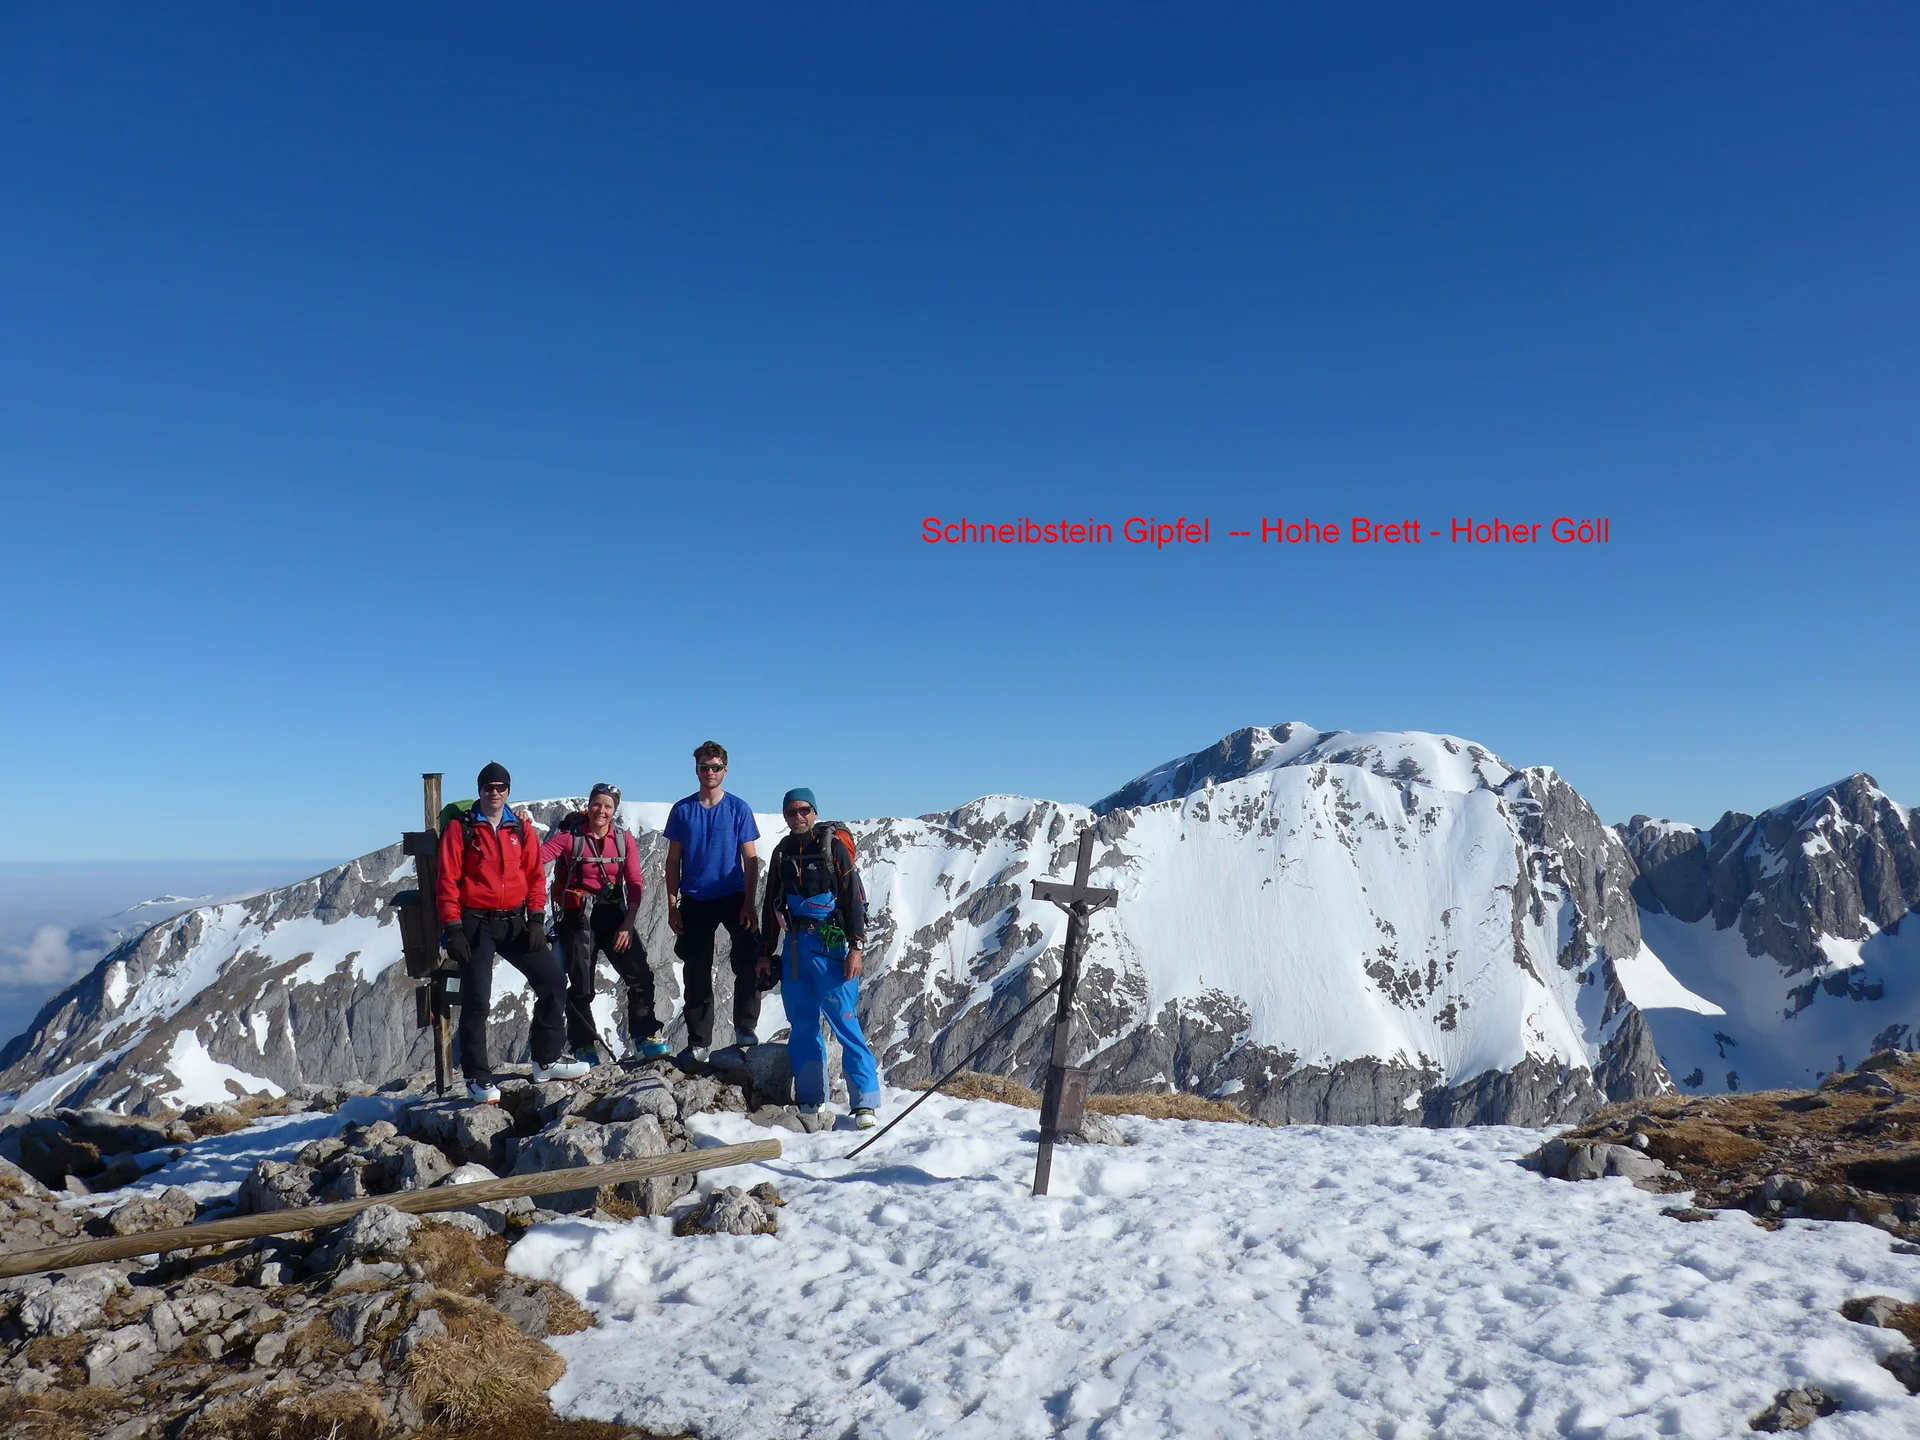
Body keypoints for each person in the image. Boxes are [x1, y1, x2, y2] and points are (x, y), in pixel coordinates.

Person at [436, 762, 589, 1103]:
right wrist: (454, 928)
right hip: (474, 921)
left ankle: (545, 1061)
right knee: (477, 999)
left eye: (501, 787)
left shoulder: (519, 828)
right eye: (489, 787)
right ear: (479, 790)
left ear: (508, 790)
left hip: (514, 920)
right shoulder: (461, 830)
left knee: (552, 981)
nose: (495, 793)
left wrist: (536, 918)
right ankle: (477, 1077)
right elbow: (446, 881)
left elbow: (535, 875)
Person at [761, 787, 882, 1128]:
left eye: (803, 810)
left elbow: (852, 900)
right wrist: (765, 952)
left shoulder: (833, 848)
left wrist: (856, 948)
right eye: (791, 812)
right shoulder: (782, 852)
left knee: (845, 1023)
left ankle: (865, 1102)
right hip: (795, 948)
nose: (797, 817)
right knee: (802, 1024)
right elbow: (771, 904)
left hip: (832, 948)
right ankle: (811, 1099)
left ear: (814, 812)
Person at [540, 783, 669, 1063]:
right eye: (597, 804)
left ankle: (644, 1036)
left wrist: (628, 923)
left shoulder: (624, 840)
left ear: (614, 810)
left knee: (640, 976)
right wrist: (523, 832)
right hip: (577, 917)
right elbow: (537, 858)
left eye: (607, 806)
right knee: (580, 984)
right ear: (588, 806)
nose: (601, 810)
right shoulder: (568, 838)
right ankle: (583, 1045)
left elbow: (634, 882)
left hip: (613, 915)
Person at [663, 741, 763, 1066]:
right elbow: (673, 860)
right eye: (705, 767)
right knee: (696, 972)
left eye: (716, 767)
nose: (710, 772)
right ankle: (699, 1042)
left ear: (726, 770)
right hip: (694, 899)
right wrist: (672, 903)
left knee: (747, 960)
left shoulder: (738, 809)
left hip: (733, 895)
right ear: (697, 770)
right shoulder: (682, 810)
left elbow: (751, 859)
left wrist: (749, 903)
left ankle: (745, 1030)